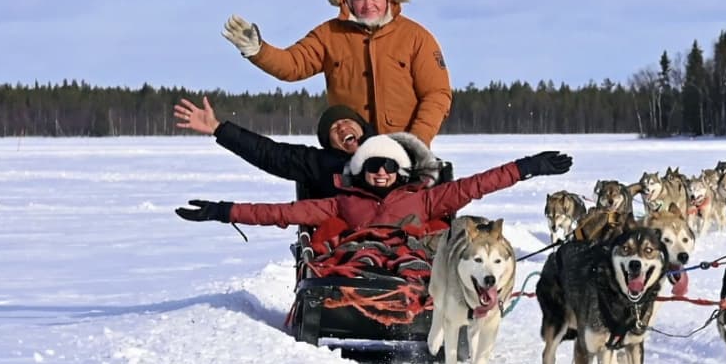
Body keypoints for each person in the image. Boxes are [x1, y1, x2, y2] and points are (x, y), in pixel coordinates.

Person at [221, 0, 452, 146]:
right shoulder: (329, 35)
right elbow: (292, 65)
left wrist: (416, 142)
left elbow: (436, 95)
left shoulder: (416, 37)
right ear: (348, 0)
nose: (368, 4)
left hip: (402, 152)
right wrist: (258, 50)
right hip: (349, 153)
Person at [175, 135, 572, 242]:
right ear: (360, 171)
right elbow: (281, 214)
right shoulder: (341, 204)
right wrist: (224, 210)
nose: (380, 173)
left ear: (399, 172)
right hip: (357, 267)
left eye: (387, 167)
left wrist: (527, 167)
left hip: (411, 270)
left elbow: (480, 184)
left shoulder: (427, 198)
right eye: (372, 166)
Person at [173, 96, 444, 198]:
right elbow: (270, 153)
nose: (342, 128)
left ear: (363, 128)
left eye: (348, 122)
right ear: (330, 143)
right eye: (334, 130)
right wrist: (220, 129)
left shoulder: (395, 150)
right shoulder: (320, 163)